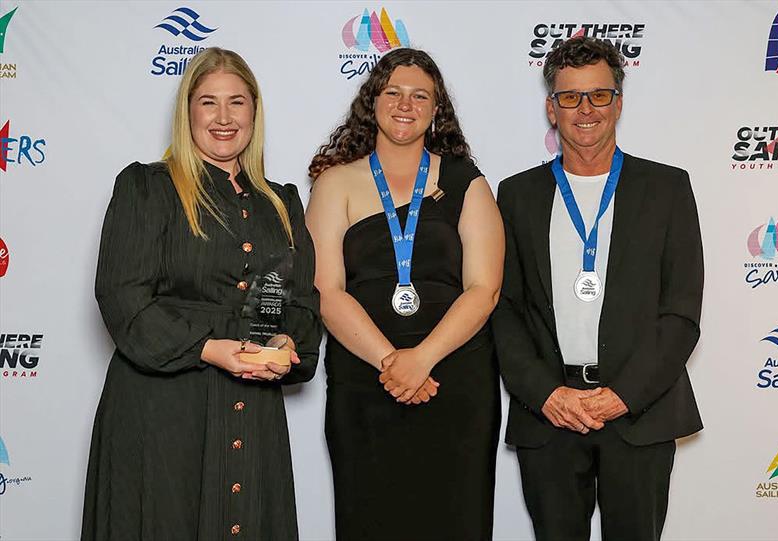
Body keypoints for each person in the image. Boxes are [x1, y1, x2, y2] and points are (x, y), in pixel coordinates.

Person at [81, 47, 321, 541]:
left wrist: (284, 345)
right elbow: (123, 298)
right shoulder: (147, 188)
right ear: (187, 112)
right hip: (163, 408)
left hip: (251, 408)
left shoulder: (281, 203)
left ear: (254, 111)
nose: (224, 117)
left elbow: (295, 303)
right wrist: (209, 349)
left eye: (237, 102)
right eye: (209, 102)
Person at [492, 36, 703, 541]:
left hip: (639, 414)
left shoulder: (667, 188)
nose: (585, 109)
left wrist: (622, 396)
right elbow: (504, 308)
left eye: (599, 95)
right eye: (570, 97)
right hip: (551, 413)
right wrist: (546, 393)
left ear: (618, 103)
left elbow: (680, 313)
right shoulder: (516, 194)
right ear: (551, 108)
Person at [305, 48, 503, 540]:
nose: (405, 104)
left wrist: (423, 359)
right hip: (365, 381)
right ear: (372, 101)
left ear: (437, 109)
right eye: (393, 92)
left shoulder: (466, 182)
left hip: (455, 380)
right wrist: (393, 362)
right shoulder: (334, 183)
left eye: (420, 96)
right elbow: (326, 290)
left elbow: (485, 288)